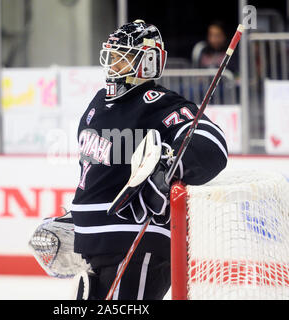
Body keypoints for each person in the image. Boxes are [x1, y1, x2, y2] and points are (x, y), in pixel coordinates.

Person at [70, 19, 228, 300]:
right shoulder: (98, 102)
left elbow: (212, 145)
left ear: (147, 62)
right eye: (113, 55)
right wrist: (74, 216)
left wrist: (167, 170)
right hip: (97, 245)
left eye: (123, 57)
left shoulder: (159, 103)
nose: (114, 63)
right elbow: (95, 172)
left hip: (136, 242)